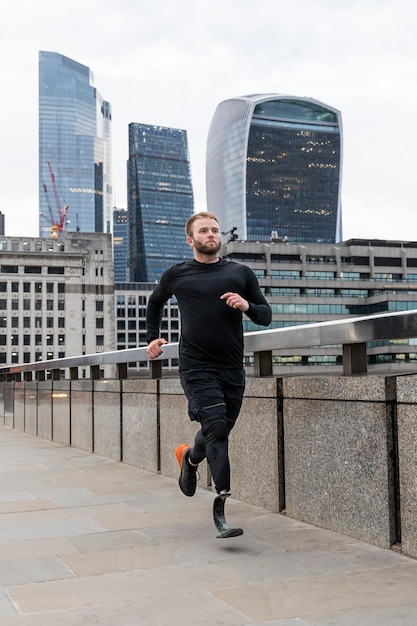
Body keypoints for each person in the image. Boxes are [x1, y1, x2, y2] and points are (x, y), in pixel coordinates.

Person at [146, 211, 272, 511]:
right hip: (196, 367)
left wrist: (246, 306)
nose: (211, 234)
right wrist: (153, 337)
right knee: (216, 427)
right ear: (191, 240)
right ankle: (222, 501)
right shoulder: (176, 275)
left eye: (215, 230)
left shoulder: (240, 273)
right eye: (204, 231)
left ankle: (189, 458)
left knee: (218, 431)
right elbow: (155, 303)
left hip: (231, 369)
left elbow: (265, 315)